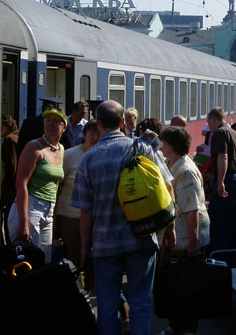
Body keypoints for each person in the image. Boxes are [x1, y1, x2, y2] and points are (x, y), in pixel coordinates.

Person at [71, 100, 176, 335]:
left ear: (97, 124)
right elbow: (167, 188)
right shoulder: (142, 149)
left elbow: (85, 211)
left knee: (107, 307)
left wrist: (85, 248)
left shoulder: (88, 159)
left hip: (105, 243)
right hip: (142, 237)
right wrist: (170, 228)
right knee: (140, 303)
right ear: (122, 122)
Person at [158, 125, 210, 335]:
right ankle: (176, 327)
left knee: (186, 287)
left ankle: (187, 329)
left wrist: (193, 243)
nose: (161, 147)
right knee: (175, 287)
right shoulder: (173, 165)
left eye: (163, 143)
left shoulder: (185, 171)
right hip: (177, 237)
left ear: (172, 146)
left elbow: (191, 209)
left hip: (186, 238)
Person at [9, 108, 67, 262]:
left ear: (64, 127)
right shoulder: (34, 147)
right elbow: (21, 184)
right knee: (28, 262)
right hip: (30, 209)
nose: (50, 124)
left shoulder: (61, 149)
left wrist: (54, 215)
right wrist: (23, 222)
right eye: (47, 120)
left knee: (44, 260)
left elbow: (57, 185)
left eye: (56, 121)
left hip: (48, 210)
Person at [56, 120, 99, 289]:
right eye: (91, 133)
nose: (94, 138)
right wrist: (54, 214)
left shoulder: (103, 155)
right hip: (71, 217)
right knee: (75, 259)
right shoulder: (70, 155)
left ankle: (91, 290)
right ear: (84, 135)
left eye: (98, 133)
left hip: (96, 218)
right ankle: (80, 297)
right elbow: (59, 185)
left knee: (94, 260)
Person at [208, 107, 236, 265]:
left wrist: (220, 181)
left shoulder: (219, 133)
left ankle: (220, 259)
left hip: (228, 179)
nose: (209, 125)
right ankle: (235, 256)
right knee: (234, 220)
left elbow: (223, 157)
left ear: (214, 120)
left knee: (220, 221)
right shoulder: (235, 133)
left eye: (209, 122)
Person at [0, 114, 19, 243]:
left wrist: (6, 187)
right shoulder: (17, 137)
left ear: (6, 126)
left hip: (11, 187)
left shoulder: (9, 140)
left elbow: (11, 166)